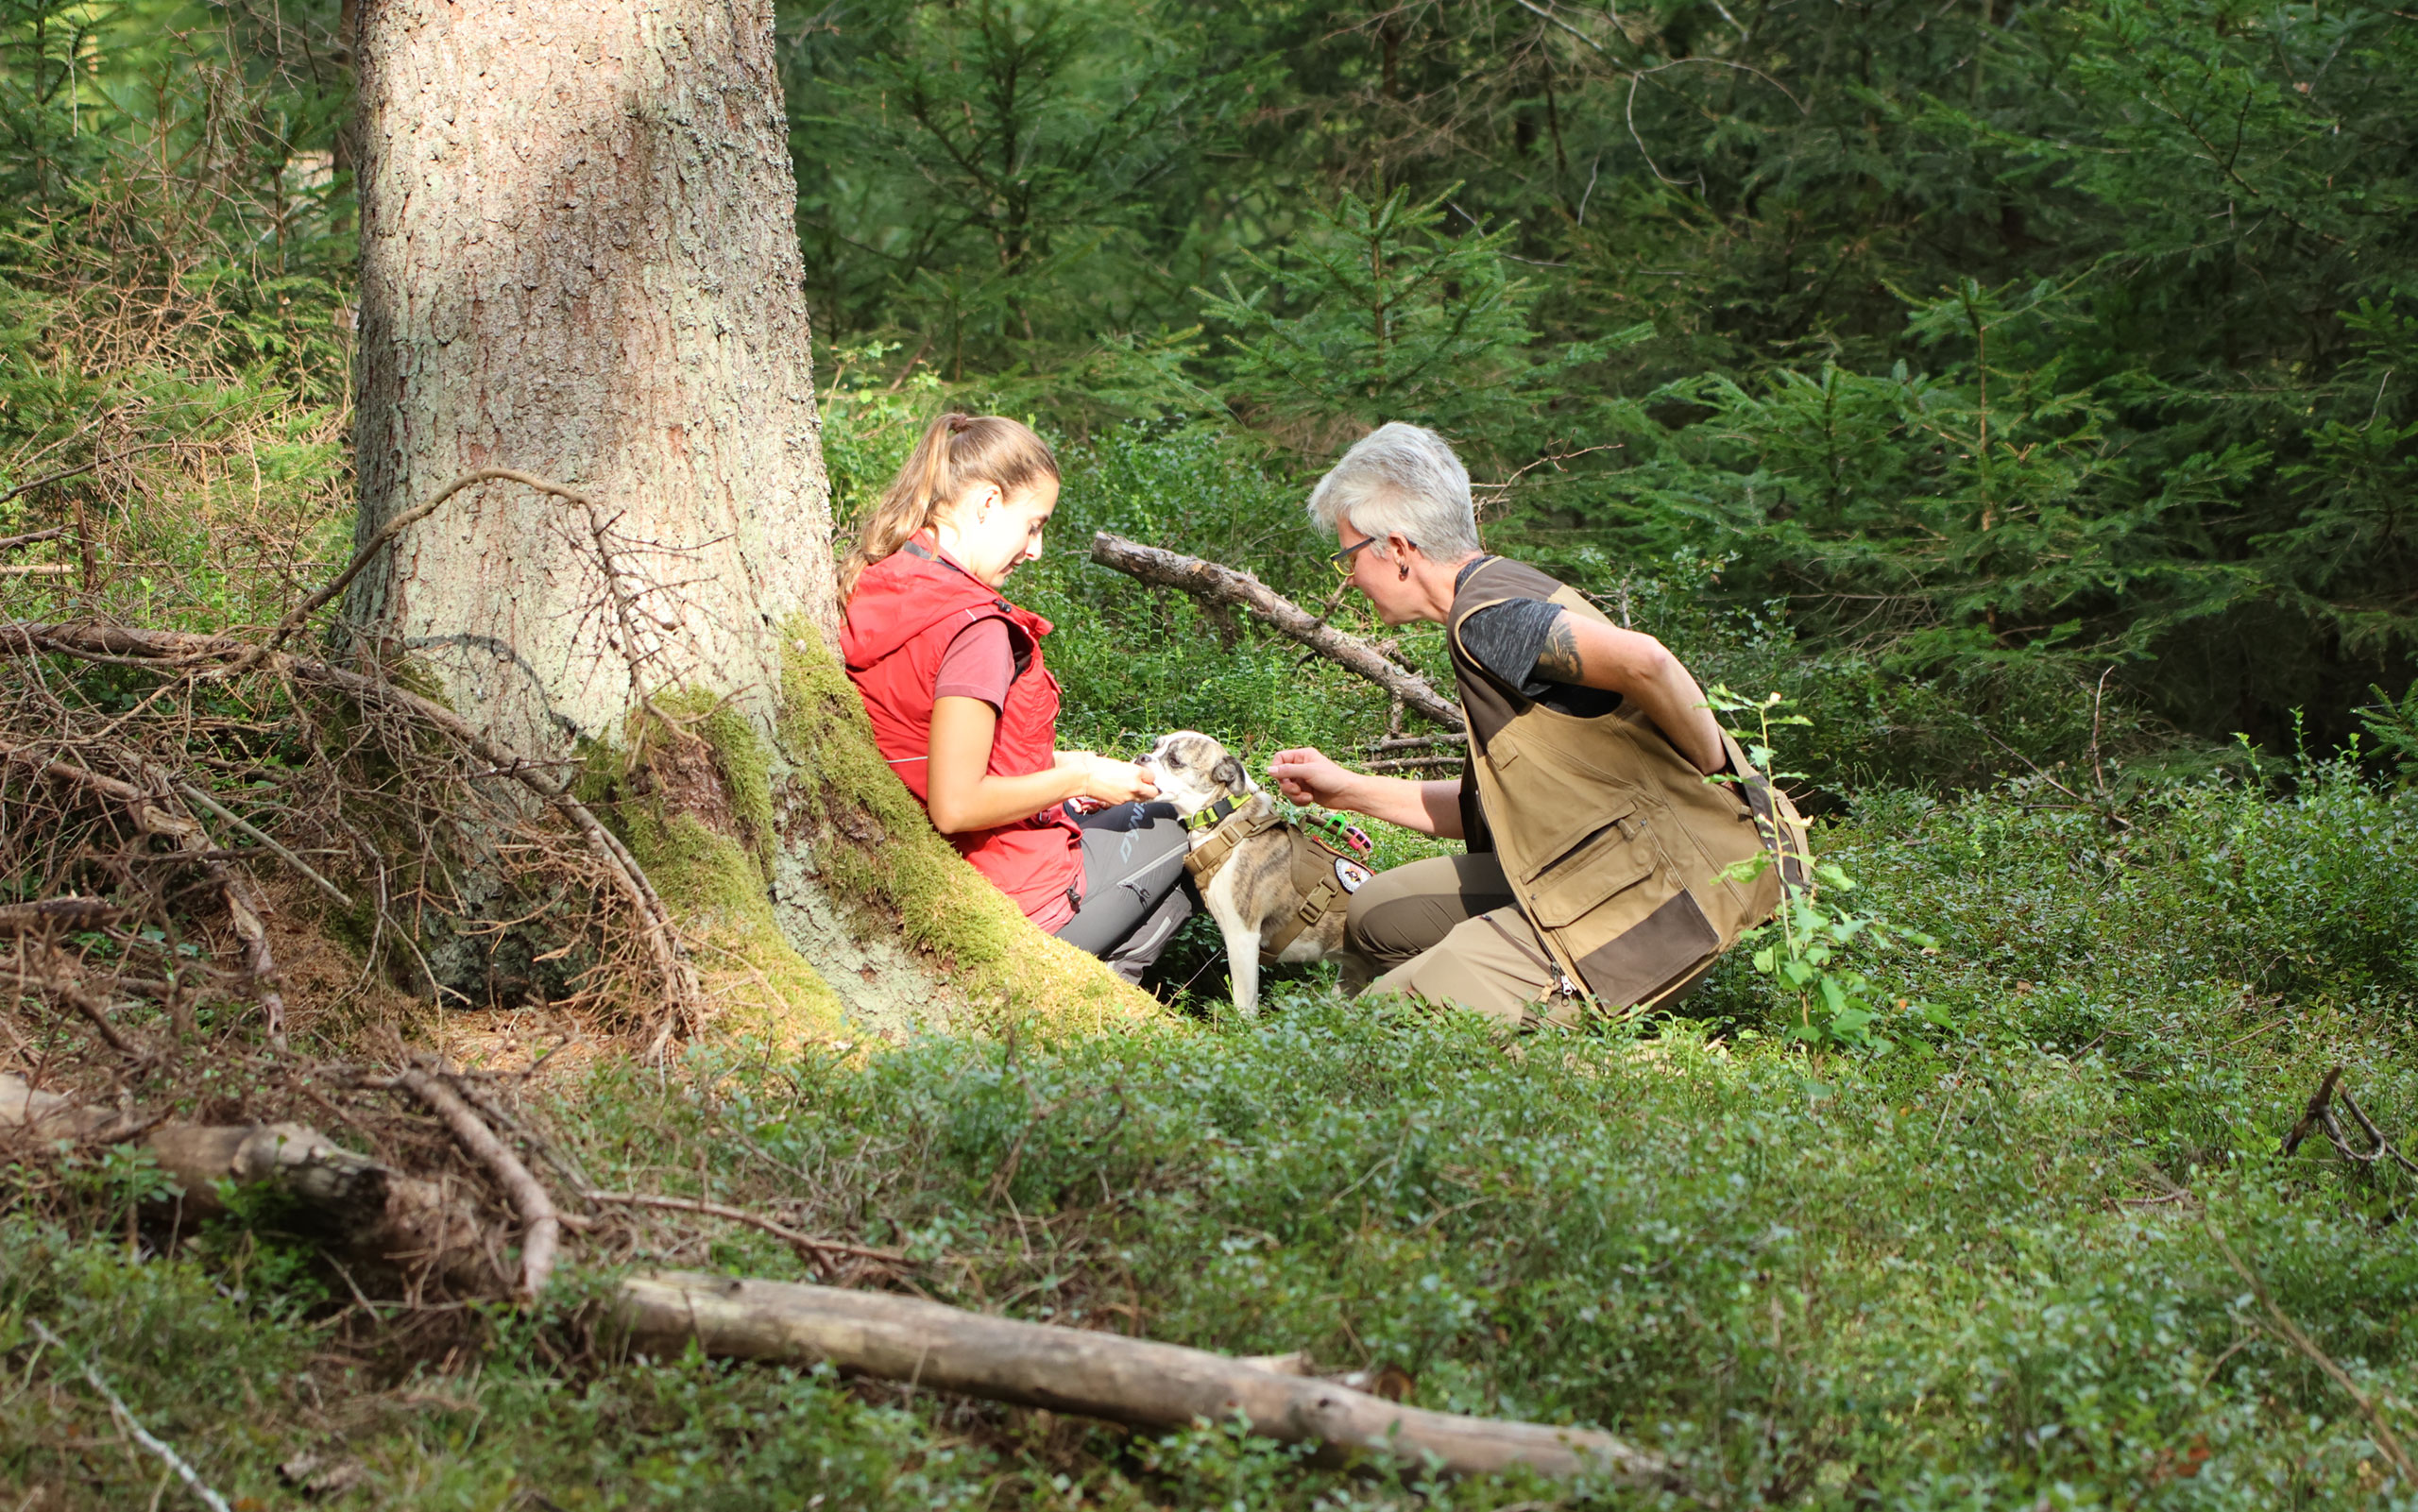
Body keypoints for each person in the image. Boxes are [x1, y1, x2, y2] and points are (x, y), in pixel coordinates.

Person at [1268, 422, 1796, 1025]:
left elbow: (1645, 660)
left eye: (1348, 556)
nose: (1348, 576)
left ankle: (1590, 1057)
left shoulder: (1484, 621)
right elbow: (1482, 810)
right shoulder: (1501, 584)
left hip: (1656, 901)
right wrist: (1347, 789)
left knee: (1373, 1031)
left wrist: (1718, 776)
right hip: (1624, 865)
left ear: (1398, 549)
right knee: (1379, 914)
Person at [839, 413, 1195, 983]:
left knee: (1122, 825)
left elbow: (932, 746)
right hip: (1010, 894)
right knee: (1175, 825)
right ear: (985, 504)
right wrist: (1075, 779)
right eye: (1032, 525)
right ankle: (1077, 1010)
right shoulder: (975, 632)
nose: (1037, 550)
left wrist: (1078, 771)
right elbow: (955, 804)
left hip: (926, 869)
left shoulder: (887, 579)